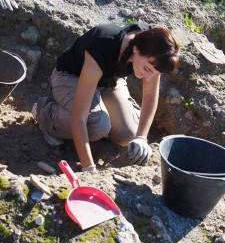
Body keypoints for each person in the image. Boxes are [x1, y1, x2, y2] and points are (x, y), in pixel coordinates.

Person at [32, 22, 180, 172]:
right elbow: (79, 117)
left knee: (128, 135)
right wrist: (88, 168)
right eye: (147, 69)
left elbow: (150, 95)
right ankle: (45, 112)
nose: (148, 78)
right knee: (97, 126)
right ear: (136, 49)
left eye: (154, 74)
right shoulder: (103, 44)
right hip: (71, 77)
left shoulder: (157, 52)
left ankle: (100, 119)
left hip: (109, 80)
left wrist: (141, 137)